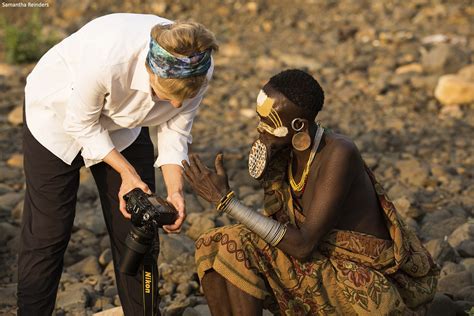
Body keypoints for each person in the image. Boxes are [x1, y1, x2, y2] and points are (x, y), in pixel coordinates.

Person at [182, 69, 439, 315]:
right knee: (210, 243)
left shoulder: (339, 153)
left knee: (235, 242)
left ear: (298, 125)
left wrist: (227, 202)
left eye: (269, 122)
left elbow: (303, 245)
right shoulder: (284, 153)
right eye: (260, 119)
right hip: (322, 266)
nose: (260, 128)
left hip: (363, 286)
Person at [18, 13, 218, 316]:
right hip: (57, 117)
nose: (175, 105)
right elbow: (81, 123)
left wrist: (175, 191)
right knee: (48, 233)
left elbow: (175, 131)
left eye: (182, 98)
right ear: (149, 70)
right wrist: (127, 173)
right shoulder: (107, 58)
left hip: (124, 124)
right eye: (164, 96)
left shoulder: (198, 67)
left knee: (139, 226)